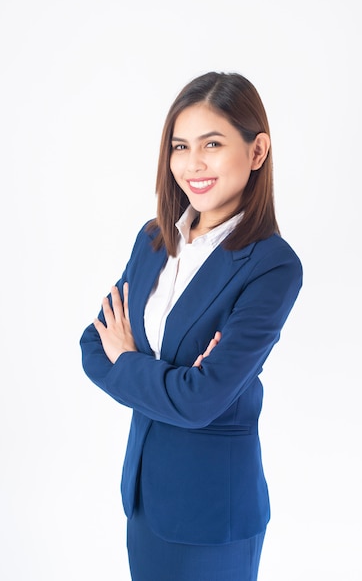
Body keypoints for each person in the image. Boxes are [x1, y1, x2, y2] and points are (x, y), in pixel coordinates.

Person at [80, 71, 302, 581]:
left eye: (213, 143)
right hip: (143, 500)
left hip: (211, 517)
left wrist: (129, 357)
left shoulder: (272, 266)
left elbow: (200, 401)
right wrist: (169, 380)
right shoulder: (154, 239)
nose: (192, 163)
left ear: (257, 150)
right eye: (181, 146)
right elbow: (93, 343)